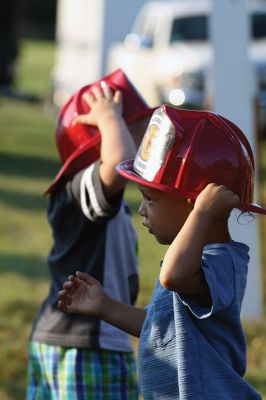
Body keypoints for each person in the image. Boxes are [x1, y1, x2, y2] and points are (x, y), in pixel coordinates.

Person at [58, 105, 265, 399]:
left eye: (150, 199)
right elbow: (161, 330)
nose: (141, 210)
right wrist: (104, 306)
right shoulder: (191, 261)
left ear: (195, 204)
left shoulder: (220, 261)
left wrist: (204, 215)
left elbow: (172, 277)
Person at [26, 69, 155, 399]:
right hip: (85, 344)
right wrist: (110, 115)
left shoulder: (106, 203)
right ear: (101, 140)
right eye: (138, 132)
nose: (147, 143)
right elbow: (118, 163)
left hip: (79, 343)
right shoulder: (78, 192)